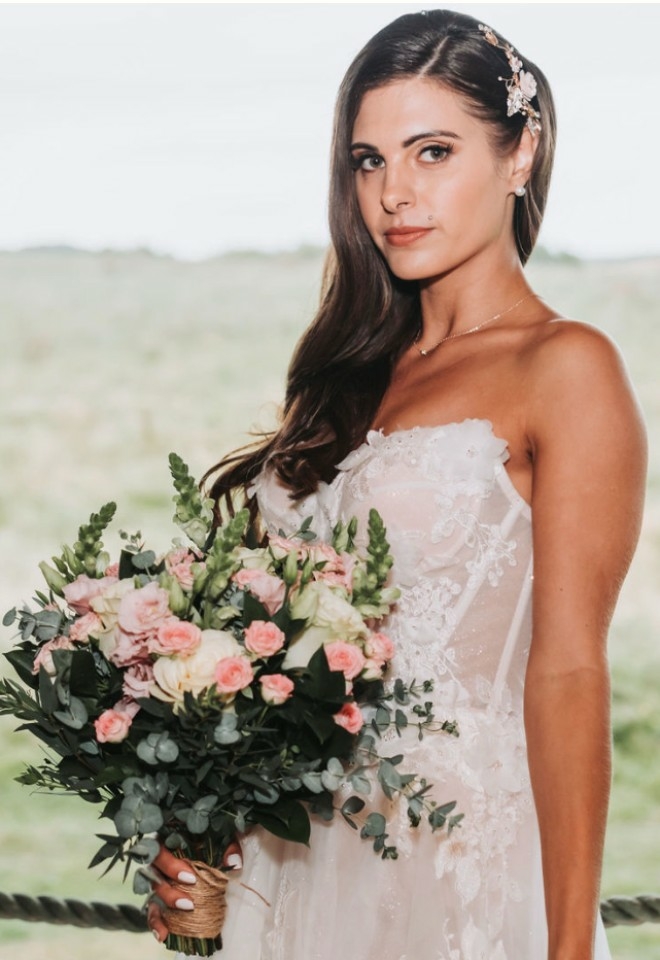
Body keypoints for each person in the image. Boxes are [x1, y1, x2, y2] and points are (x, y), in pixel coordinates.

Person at [147, 9, 646, 959]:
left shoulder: (566, 366)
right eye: (369, 160)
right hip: (291, 870)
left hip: (456, 863)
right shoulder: (344, 372)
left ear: (520, 153)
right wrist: (200, 834)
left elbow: (571, 669)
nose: (394, 194)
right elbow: (265, 668)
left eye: (432, 151)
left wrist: (571, 946)